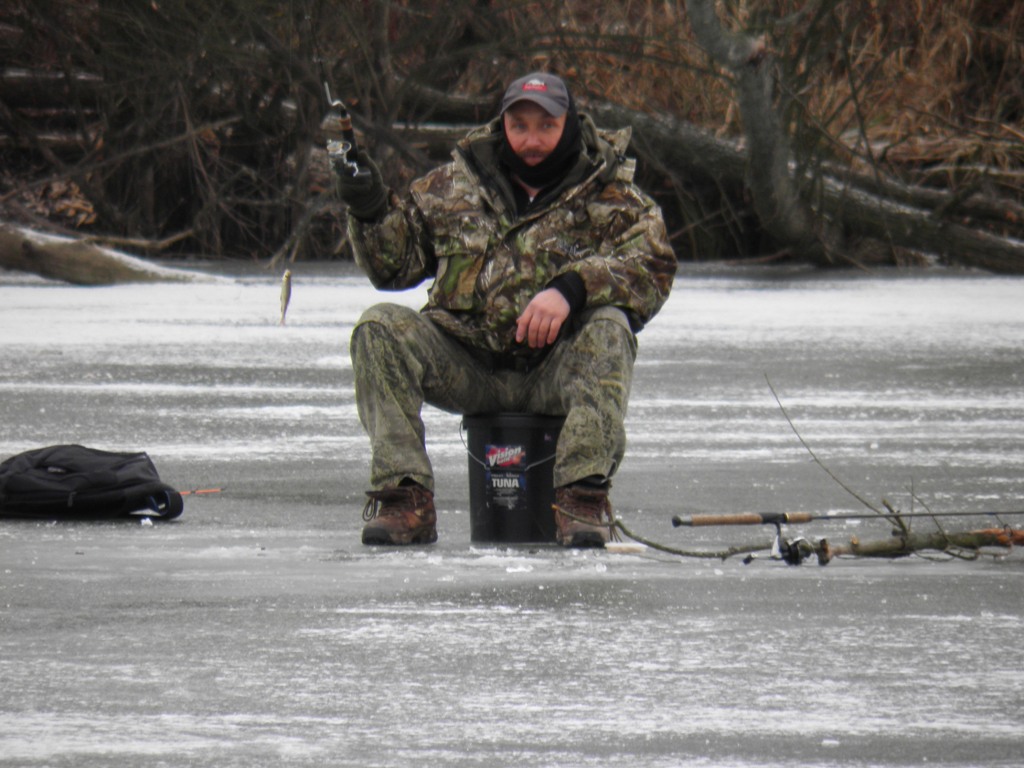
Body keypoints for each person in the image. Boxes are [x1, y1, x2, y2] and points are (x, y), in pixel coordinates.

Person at [334, 72, 675, 548]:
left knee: (610, 325)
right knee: (379, 326)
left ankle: (581, 500)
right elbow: (393, 266)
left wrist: (574, 288)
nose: (532, 141)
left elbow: (653, 266)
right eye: (520, 127)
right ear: (502, 125)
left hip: (553, 370)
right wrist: (368, 205)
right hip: (467, 366)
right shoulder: (451, 187)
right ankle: (404, 498)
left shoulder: (612, 195)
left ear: (570, 124)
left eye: (546, 126)